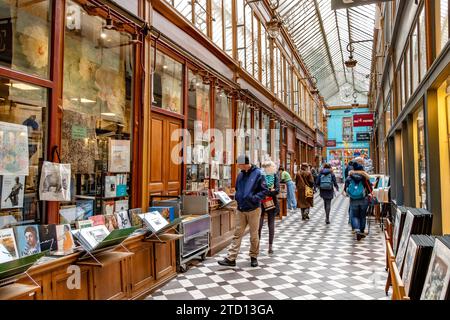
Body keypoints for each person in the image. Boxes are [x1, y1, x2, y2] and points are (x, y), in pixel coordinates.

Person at [218, 155, 269, 268]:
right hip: (241, 209)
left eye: (239, 165)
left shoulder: (259, 173)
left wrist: (253, 198)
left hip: (254, 209)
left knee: (254, 235)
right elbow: (237, 189)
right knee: (237, 234)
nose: (238, 167)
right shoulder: (240, 175)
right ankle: (231, 258)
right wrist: (238, 199)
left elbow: (265, 190)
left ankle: (254, 256)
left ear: (245, 163)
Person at [344, 161, 373, 241]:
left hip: (353, 200)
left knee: (354, 215)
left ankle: (356, 229)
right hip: (364, 199)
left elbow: (345, 189)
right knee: (362, 216)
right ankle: (361, 231)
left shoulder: (349, 177)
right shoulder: (365, 178)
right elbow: (370, 189)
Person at [259, 161, 280, 255]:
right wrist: (271, 191)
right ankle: (267, 247)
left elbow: (277, 190)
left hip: (264, 201)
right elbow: (276, 190)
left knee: (264, 224)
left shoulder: (260, 176)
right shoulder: (273, 176)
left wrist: (266, 192)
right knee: (263, 224)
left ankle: (264, 246)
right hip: (267, 201)